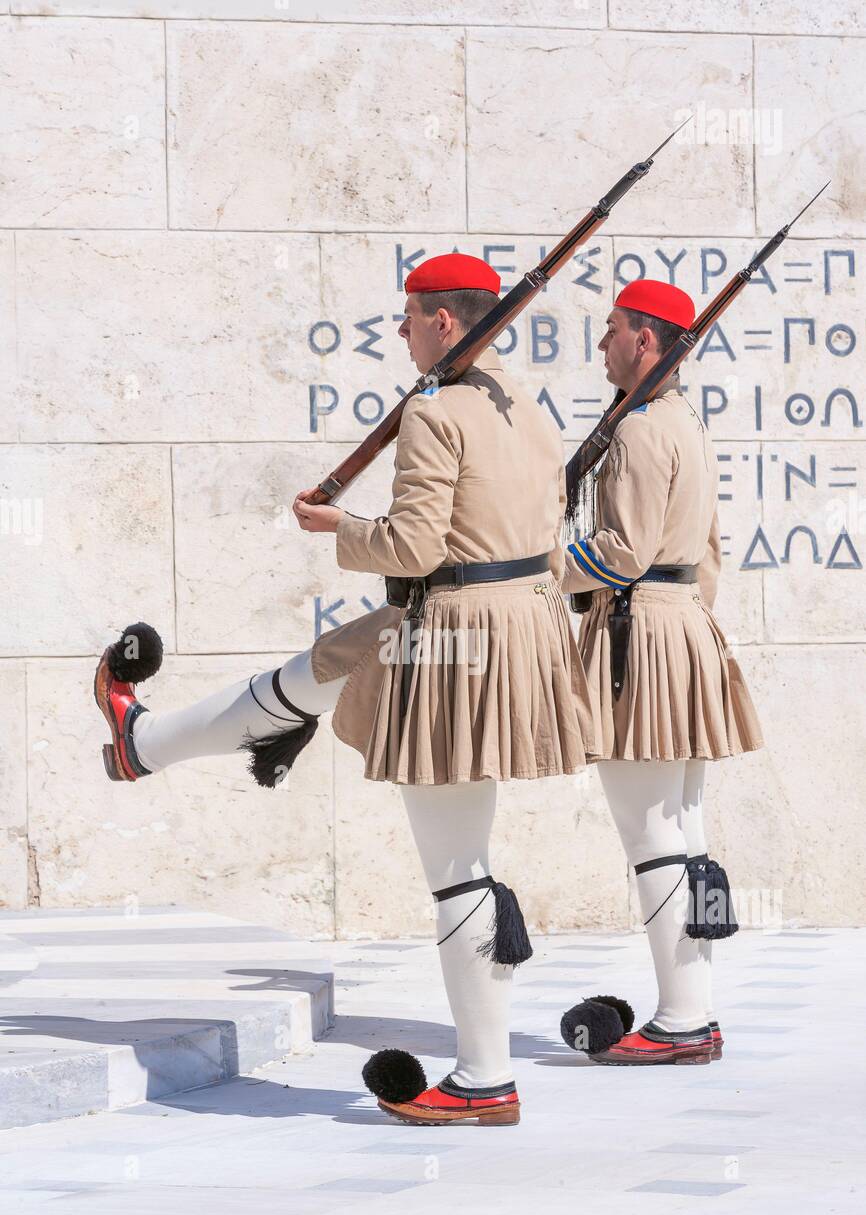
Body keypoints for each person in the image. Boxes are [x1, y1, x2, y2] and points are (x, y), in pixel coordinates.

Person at [94, 251, 600, 1124]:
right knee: (332, 660)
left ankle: (483, 1080)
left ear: (446, 321)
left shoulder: (436, 413)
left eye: (408, 315)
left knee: (458, 868)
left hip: (453, 637)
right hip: (517, 627)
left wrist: (338, 526)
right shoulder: (530, 411)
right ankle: (149, 745)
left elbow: (409, 549)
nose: (399, 329)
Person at [558, 279, 763, 1066]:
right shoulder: (687, 422)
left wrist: (537, 569)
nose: (601, 344)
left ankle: (680, 1022)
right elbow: (705, 555)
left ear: (646, 341)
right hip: (680, 629)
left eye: (611, 330)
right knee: (686, 834)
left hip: (638, 632)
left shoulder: (642, 430)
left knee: (651, 836)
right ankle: (694, 1013)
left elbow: (621, 552)